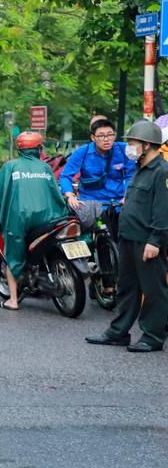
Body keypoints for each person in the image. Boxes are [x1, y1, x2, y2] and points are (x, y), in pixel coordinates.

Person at [86, 120, 168, 352]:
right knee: (126, 288)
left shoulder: (162, 172)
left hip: (147, 241)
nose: (129, 148)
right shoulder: (140, 168)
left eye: (132, 143)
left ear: (147, 145)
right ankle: (118, 332)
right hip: (129, 237)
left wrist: (155, 241)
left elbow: (163, 211)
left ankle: (152, 337)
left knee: (153, 290)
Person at [0, 132, 69, 310]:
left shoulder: (10, 166)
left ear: (20, 149)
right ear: (39, 148)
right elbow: (55, 192)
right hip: (48, 218)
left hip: (19, 219)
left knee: (13, 256)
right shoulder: (45, 168)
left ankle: (13, 300)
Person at [60, 118, 133, 209]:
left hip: (118, 202)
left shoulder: (123, 150)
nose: (106, 139)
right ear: (93, 137)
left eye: (110, 135)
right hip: (90, 203)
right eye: (101, 136)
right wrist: (70, 196)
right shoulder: (82, 152)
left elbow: (131, 175)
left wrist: (127, 196)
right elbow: (65, 176)